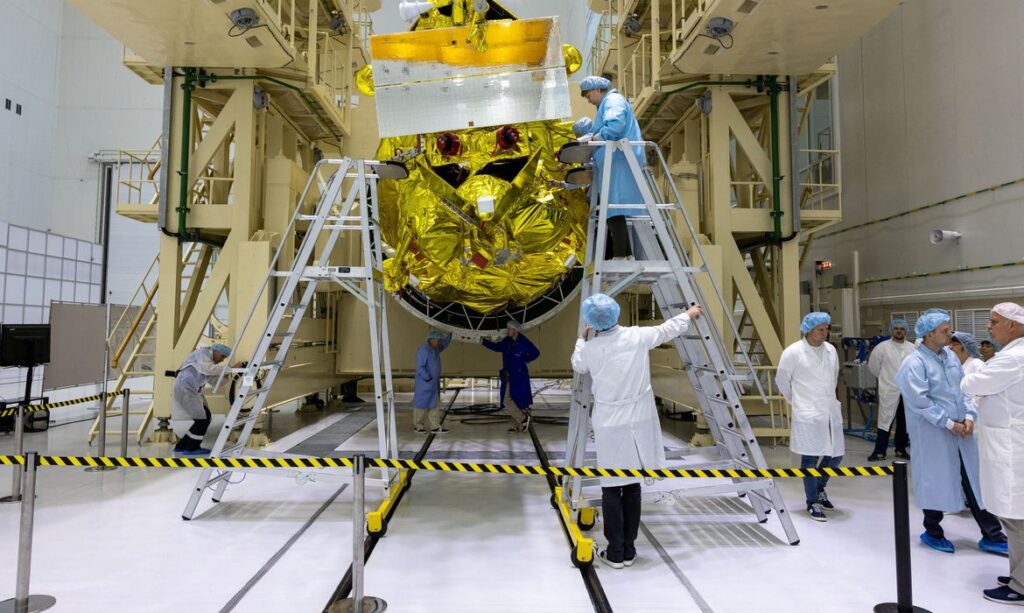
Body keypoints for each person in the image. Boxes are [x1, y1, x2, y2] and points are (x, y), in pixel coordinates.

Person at [571, 293, 703, 569]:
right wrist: (689, 314)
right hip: (639, 418)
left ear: (591, 321)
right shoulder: (636, 336)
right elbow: (666, 329)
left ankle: (615, 553)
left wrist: (582, 339)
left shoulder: (592, 348)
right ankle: (629, 550)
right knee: (632, 485)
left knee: (611, 487)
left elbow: (578, 364)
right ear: (616, 313)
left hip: (609, 422)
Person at [895, 310, 1007, 555]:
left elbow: (964, 389)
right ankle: (932, 531)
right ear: (929, 334)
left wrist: (968, 416)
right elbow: (919, 402)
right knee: (935, 479)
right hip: (933, 434)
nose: (950, 334)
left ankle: (992, 535)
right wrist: (948, 423)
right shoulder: (914, 363)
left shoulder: (951, 358)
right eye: (945, 331)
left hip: (960, 432)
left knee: (973, 482)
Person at [962, 303, 1024, 604]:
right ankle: (1018, 574)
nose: (989, 326)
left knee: (1017, 518)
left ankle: (1022, 585)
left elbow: (972, 382)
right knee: (1014, 518)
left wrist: (970, 379)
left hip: (1013, 449)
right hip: (1009, 445)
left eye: (994, 321)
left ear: (1012, 325)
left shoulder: (1014, 358)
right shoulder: (1012, 355)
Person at [776, 312, 844, 522]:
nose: (825, 334)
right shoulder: (793, 352)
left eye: (826, 329)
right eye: (820, 330)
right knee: (810, 458)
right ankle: (812, 501)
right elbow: (782, 381)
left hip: (829, 410)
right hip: (808, 411)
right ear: (808, 330)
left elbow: (833, 377)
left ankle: (820, 488)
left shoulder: (831, 350)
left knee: (835, 455)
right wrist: (796, 401)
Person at [576, 75, 645, 260]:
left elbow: (615, 125)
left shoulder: (613, 101)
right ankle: (626, 254)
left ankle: (621, 256)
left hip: (620, 159)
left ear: (598, 89)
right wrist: (587, 139)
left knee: (612, 208)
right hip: (616, 160)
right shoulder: (605, 105)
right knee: (613, 209)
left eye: (588, 96)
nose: (588, 101)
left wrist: (595, 139)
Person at [171, 343, 241, 455]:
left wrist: (228, 373)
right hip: (186, 389)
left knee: (205, 417)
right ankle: (191, 448)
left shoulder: (210, 364)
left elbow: (216, 383)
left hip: (191, 390)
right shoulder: (202, 353)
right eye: (222, 356)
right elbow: (208, 369)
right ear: (216, 351)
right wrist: (230, 369)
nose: (222, 360)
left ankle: (182, 445)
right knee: (202, 420)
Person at [867, 319, 915, 461]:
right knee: (885, 421)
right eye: (896, 328)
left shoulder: (912, 348)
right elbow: (873, 367)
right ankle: (879, 451)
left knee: (904, 422)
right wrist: (885, 379)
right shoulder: (882, 347)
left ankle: (901, 450)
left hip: (907, 391)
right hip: (889, 389)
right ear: (891, 330)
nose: (899, 331)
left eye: (901, 329)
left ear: (905, 331)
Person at [481, 320, 540, 433]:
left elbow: (536, 353)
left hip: (518, 375)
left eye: (509, 329)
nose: (507, 331)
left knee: (514, 400)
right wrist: (484, 342)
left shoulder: (523, 342)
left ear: (515, 330)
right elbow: (497, 347)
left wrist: (525, 360)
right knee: (508, 399)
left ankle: (521, 421)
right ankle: (519, 424)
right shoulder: (507, 341)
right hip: (508, 375)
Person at [413, 330, 452, 434]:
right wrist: (428, 378)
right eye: (438, 340)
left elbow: (444, 345)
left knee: (434, 405)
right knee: (421, 405)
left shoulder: (435, 348)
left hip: (433, 383)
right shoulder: (424, 350)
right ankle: (418, 426)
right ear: (432, 339)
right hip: (425, 383)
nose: (439, 342)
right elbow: (420, 367)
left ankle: (435, 426)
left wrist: (450, 336)